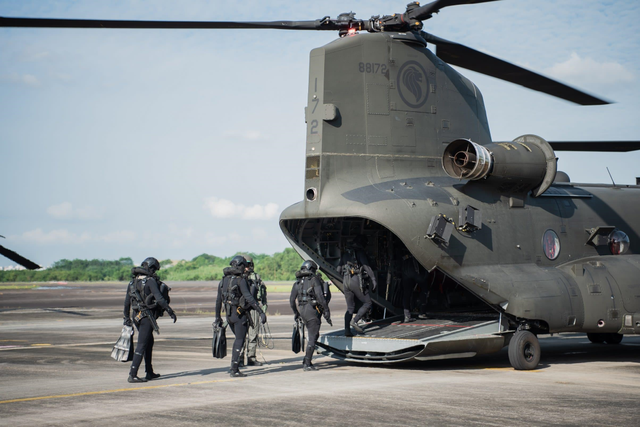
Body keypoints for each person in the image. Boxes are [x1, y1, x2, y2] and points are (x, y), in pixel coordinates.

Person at [123, 257, 177, 383]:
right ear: (151, 268)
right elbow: (159, 299)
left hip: (136, 317)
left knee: (149, 342)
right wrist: (170, 311)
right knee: (142, 345)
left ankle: (149, 371)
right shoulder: (150, 281)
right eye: (154, 269)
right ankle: (132, 374)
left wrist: (126, 318)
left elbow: (126, 303)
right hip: (147, 318)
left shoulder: (132, 283)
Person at [215, 255, 267, 377]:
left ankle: (235, 365)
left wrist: (218, 317)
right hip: (239, 315)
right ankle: (234, 369)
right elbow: (249, 297)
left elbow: (218, 301)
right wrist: (261, 311)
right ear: (241, 266)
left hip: (229, 315)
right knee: (239, 340)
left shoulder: (223, 280)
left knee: (237, 340)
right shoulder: (240, 280)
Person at [290, 260, 332, 371]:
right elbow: (320, 297)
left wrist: (296, 313)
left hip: (303, 311)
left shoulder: (297, 283)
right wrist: (326, 311)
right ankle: (307, 363)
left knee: (313, 335)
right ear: (312, 269)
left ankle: (306, 360)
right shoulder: (314, 280)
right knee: (312, 337)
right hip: (312, 312)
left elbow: (291, 301)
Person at [338, 235, 377, 336]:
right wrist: (373, 279)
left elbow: (338, 270)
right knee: (368, 302)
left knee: (350, 308)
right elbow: (366, 266)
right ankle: (354, 321)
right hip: (355, 279)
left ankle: (347, 330)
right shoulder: (360, 252)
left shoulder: (345, 254)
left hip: (346, 281)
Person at [239, 254, 268, 367]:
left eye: (248, 265)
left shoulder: (256, 277)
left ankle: (251, 357)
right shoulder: (237, 278)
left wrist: (263, 310)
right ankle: (240, 358)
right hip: (241, 308)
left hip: (254, 308)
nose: (247, 267)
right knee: (241, 335)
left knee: (253, 334)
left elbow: (263, 293)